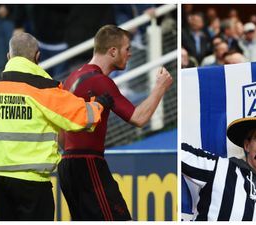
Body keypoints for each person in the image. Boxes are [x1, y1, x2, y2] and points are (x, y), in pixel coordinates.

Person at [0, 32, 112, 221]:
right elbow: (82, 118)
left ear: (9, 56)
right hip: (32, 183)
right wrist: (100, 104)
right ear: (37, 57)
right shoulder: (43, 88)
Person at [58, 24, 173, 221]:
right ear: (113, 51)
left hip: (68, 164)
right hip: (88, 163)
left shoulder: (72, 77)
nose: (129, 54)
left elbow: (60, 134)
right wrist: (160, 88)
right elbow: (139, 118)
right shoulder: (100, 81)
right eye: (127, 49)